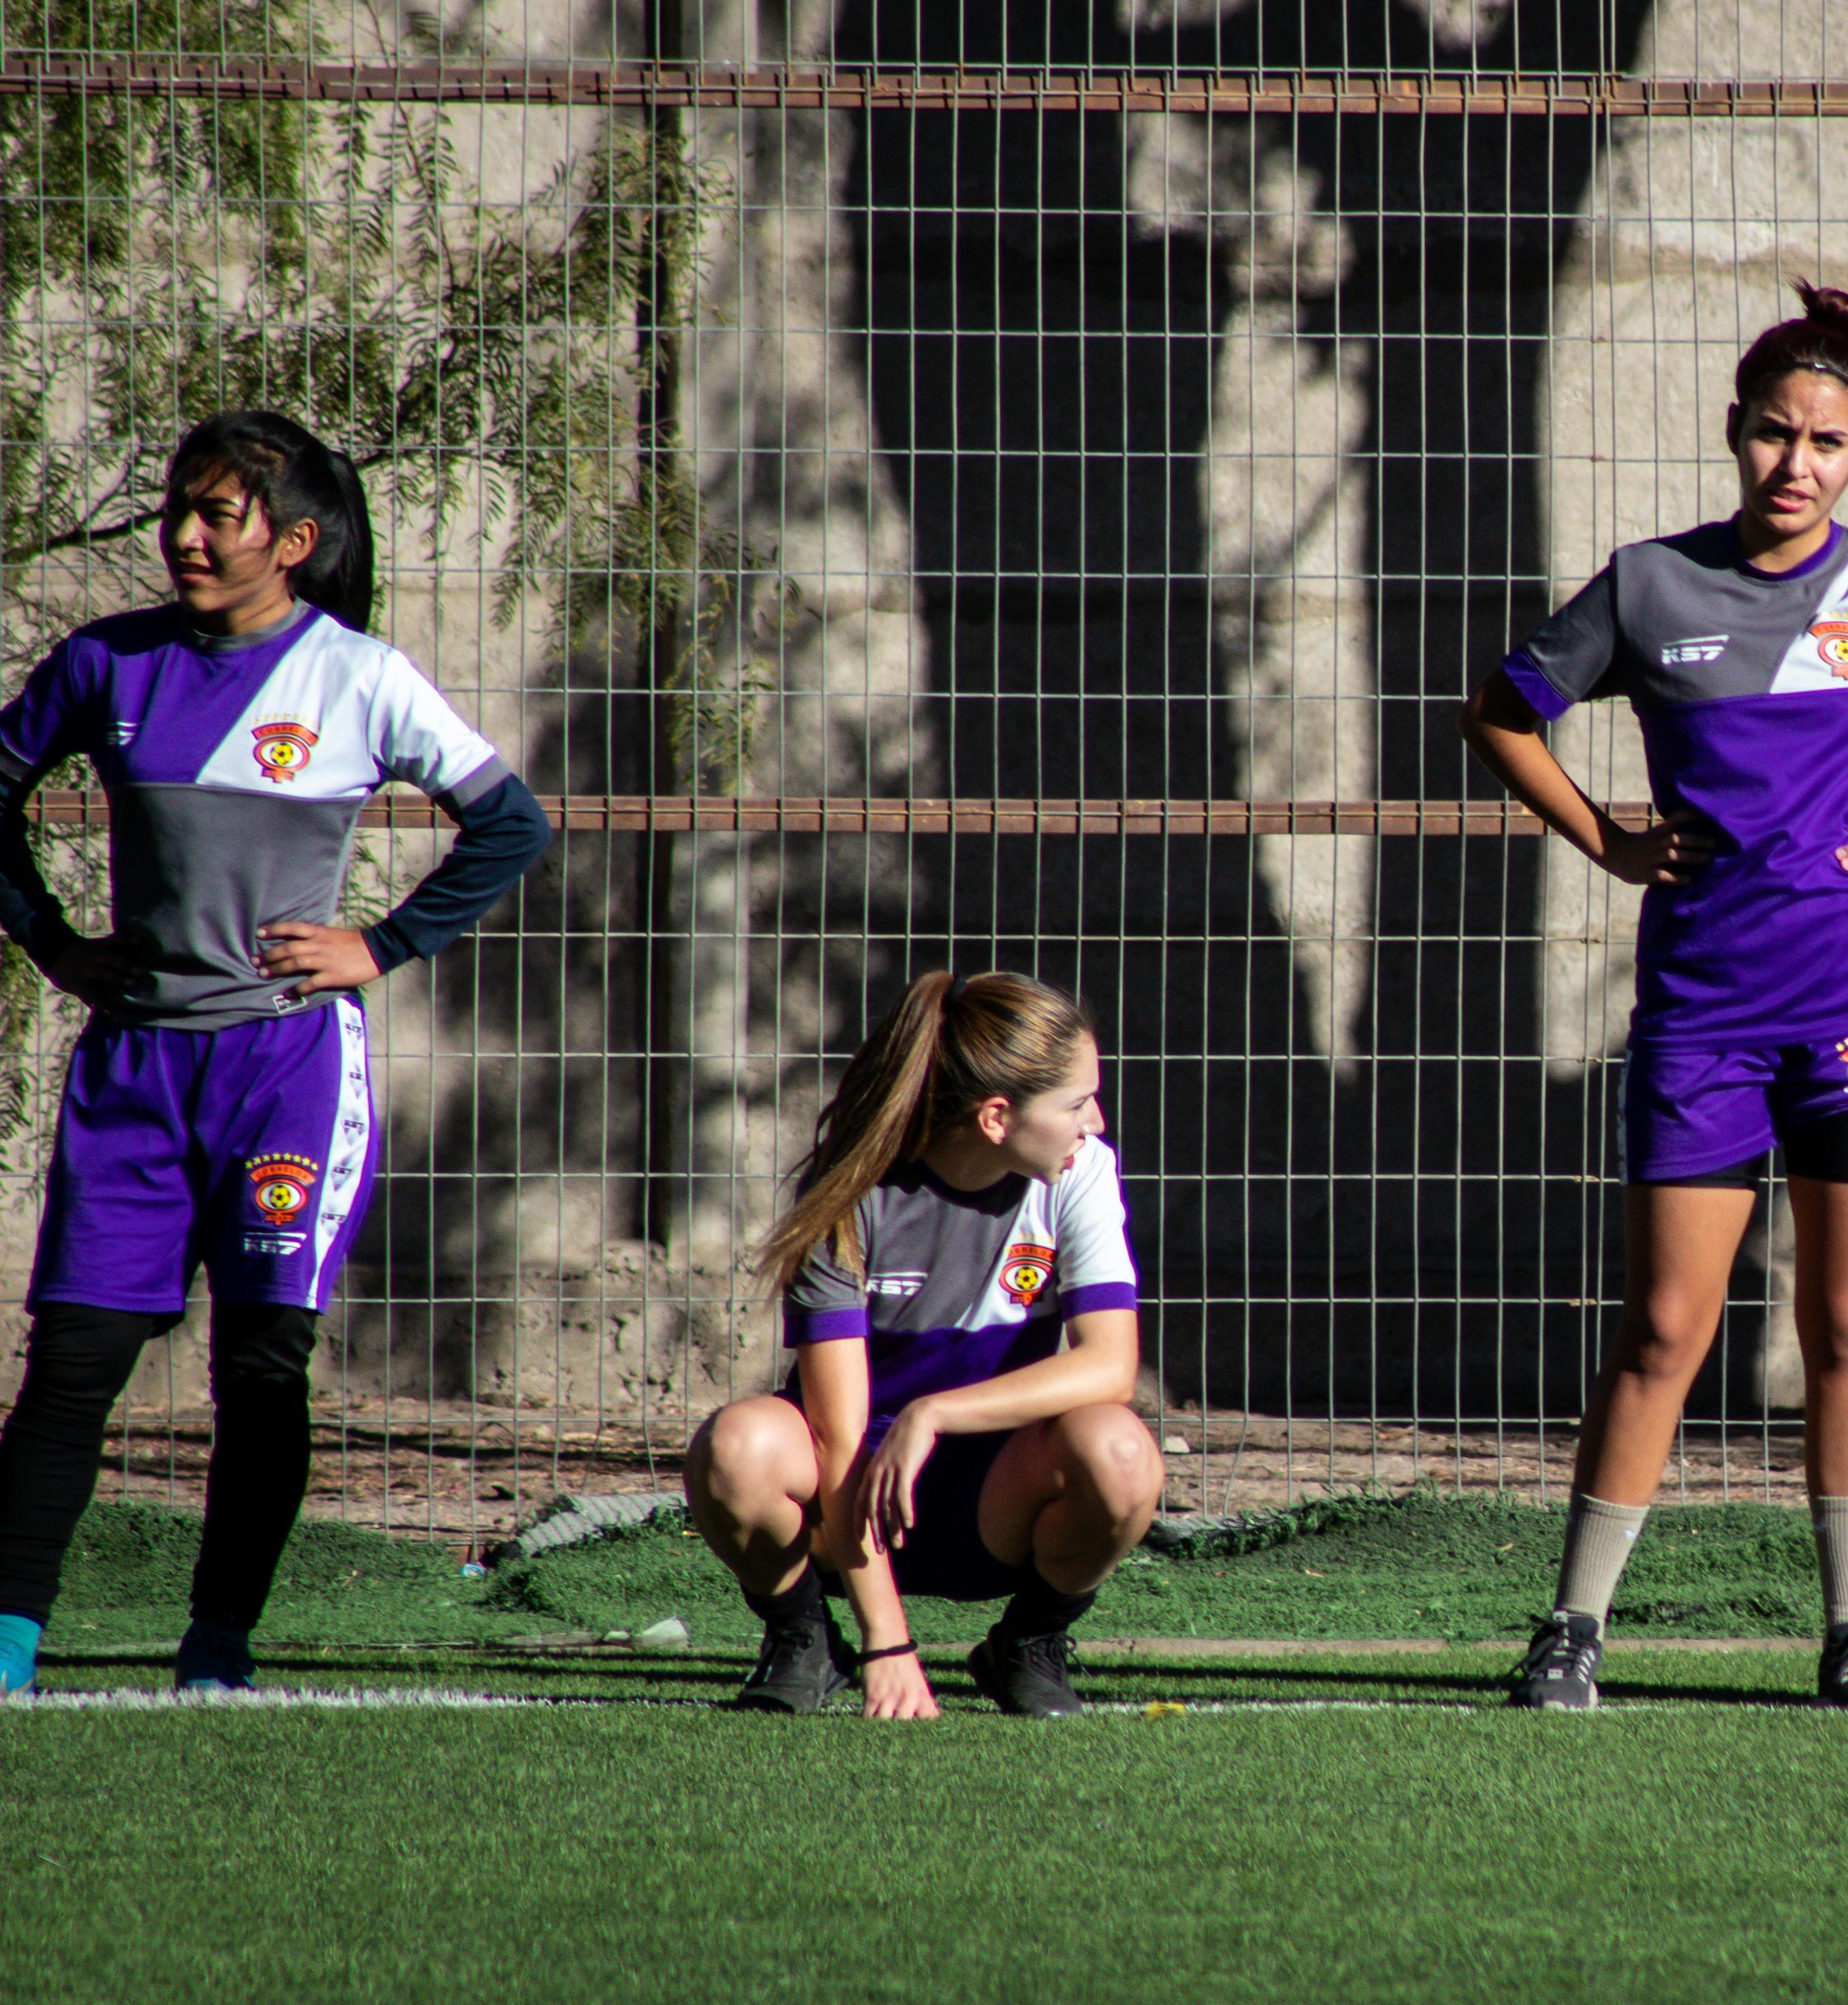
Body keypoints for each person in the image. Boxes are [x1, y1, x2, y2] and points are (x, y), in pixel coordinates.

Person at [1460, 281, 1848, 1712]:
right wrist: (1604, 837)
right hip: (1701, 1009)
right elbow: (1500, 713)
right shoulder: (1645, 586)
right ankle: (1570, 1628)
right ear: (1732, 434)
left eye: (1823, 440)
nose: (1792, 464)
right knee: (1666, 1326)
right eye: (1769, 434)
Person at [0, 410, 555, 1696]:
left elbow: (508, 823)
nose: (185, 537)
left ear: (294, 543)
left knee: (262, 1361)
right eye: (178, 509)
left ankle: (218, 1644)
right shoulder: (105, 664)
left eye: (219, 515)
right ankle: (13, 1641)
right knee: (74, 1361)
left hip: (287, 1071)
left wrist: (384, 941)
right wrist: (50, 940)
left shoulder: (358, 675)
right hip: (133, 1072)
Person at [687, 971, 1163, 1718]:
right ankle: (806, 1639)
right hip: (853, 1501)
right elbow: (838, 1439)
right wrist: (888, 1643)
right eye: (1075, 1103)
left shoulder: (1081, 1172)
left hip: (992, 1495)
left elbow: (1111, 1364)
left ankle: (1027, 1645)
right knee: (736, 1445)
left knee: (1122, 1451)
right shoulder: (849, 1193)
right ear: (997, 1116)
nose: (1095, 1122)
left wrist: (934, 1412)